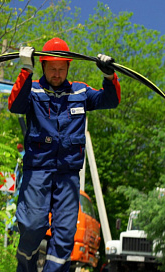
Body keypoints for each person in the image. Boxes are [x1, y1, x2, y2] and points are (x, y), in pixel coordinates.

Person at [8, 37, 121, 272]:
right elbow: (15, 106)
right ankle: (25, 267)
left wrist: (109, 76)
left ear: (68, 67)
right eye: (52, 69)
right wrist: (25, 70)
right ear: (43, 67)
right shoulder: (34, 89)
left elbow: (110, 100)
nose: (57, 74)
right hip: (37, 171)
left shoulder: (80, 91)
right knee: (31, 225)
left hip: (68, 176)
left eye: (61, 69)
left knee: (65, 234)